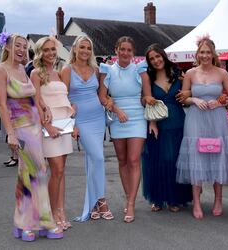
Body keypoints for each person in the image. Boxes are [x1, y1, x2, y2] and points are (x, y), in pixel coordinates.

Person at [0, 34, 63, 241]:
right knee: (32, 171)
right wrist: (10, 134)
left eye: (24, 46)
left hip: (35, 127)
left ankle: (33, 222)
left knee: (35, 171)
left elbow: (32, 97)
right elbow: (2, 105)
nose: (21, 50)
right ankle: (33, 223)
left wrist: (44, 108)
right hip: (20, 129)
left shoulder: (23, 69)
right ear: (8, 47)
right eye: (17, 46)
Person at [176, 36, 228, 219]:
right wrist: (194, 99)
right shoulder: (190, 74)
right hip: (196, 119)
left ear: (213, 54)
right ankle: (197, 203)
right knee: (197, 157)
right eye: (202, 52)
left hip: (217, 119)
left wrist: (220, 104)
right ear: (197, 53)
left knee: (217, 156)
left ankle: (218, 200)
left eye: (208, 52)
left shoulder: (222, 73)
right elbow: (183, 97)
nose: (205, 55)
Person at [61, 35, 113, 222]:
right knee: (98, 158)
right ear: (74, 48)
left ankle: (94, 204)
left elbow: (102, 95)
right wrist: (72, 124)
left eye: (88, 48)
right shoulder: (67, 70)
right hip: (80, 119)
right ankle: (101, 200)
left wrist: (111, 104)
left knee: (94, 160)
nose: (85, 51)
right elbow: (63, 98)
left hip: (97, 118)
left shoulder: (96, 69)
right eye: (82, 47)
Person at [98, 36, 148, 223]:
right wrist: (117, 110)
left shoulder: (140, 69)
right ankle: (129, 197)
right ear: (116, 50)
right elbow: (102, 97)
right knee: (122, 160)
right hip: (117, 117)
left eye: (129, 50)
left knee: (134, 160)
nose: (125, 53)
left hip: (137, 117)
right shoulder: (107, 70)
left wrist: (149, 106)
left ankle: (131, 203)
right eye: (122, 49)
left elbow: (147, 95)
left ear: (133, 53)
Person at [141, 44, 192, 212]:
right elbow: (144, 100)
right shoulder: (148, 77)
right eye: (152, 59)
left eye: (158, 56)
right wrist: (152, 121)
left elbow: (188, 95)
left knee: (176, 160)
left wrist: (189, 93)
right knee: (158, 160)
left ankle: (174, 198)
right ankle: (158, 197)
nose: (156, 61)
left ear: (163, 56)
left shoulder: (178, 74)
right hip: (158, 124)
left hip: (178, 122)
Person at [31, 36, 74, 230]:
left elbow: (63, 98)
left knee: (61, 171)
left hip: (64, 126)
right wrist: (47, 126)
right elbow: (36, 102)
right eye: (46, 50)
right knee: (56, 170)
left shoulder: (58, 73)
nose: (50, 53)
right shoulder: (35, 73)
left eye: (52, 50)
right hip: (49, 127)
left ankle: (60, 211)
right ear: (40, 53)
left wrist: (73, 110)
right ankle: (48, 214)